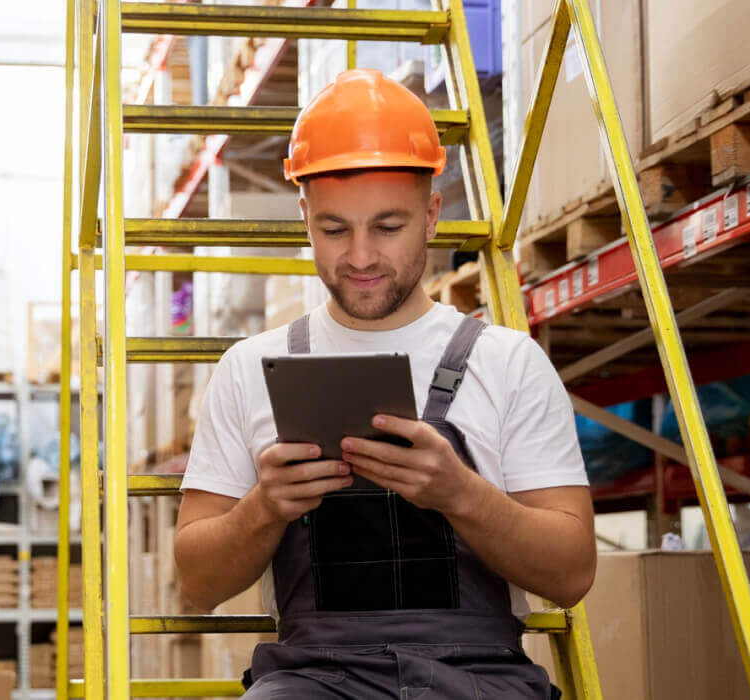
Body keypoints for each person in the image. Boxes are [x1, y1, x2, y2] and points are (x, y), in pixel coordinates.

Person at [174, 68, 595, 699]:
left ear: (432, 215)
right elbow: (197, 585)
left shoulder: (508, 363)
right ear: (305, 218)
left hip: (478, 681)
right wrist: (264, 507)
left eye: (388, 227)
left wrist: (459, 493)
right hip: (311, 683)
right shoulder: (250, 368)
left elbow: (572, 574)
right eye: (334, 229)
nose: (362, 257)